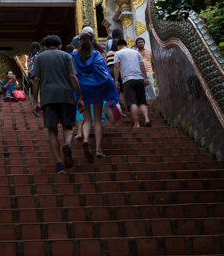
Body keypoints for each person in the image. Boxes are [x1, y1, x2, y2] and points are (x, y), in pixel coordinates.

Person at [31, 34, 84, 174]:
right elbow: (73, 76)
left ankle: (59, 164)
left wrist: (35, 101)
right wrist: (79, 97)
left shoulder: (39, 58)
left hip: (48, 97)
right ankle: (67, 143)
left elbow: (36, 79)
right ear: (60, 46)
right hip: (66, 95)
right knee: (68, 127)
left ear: (45, 47)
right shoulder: (67, 56)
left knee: (52, 130)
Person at [71, 32, 119, 160]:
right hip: (97, 87)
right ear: (92, 41)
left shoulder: (74, 56)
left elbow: (71, 73)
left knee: (87, 120)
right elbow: (104, 72)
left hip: (83, 89)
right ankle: (98, 149)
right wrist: (112, 85)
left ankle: (86, 139)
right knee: (97, 120)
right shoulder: (97, 54)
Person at [113, 39, 151, 128]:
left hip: (128, 80)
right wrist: (145, 78)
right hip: (140, 78)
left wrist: (116, 81)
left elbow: (116, 67)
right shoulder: (136, 52)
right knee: (142, 101)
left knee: (132, 102)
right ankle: (146, 119)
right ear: (126, 44)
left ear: (118, 46)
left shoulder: (118, 54)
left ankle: (137, 124)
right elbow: (142, 66)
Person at [135, 37, 156, 103]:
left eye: (142, 42)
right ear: (136, 44)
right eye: (139, 42)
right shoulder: (135, 53)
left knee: (150, 86)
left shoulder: (149, 52)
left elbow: (153, 62)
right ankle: (145, 101)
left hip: (149, 71)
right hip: (139, 72)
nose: (140, 43)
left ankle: (153, 101)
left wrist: (152, 70)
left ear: (144, 43)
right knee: (142, 88)